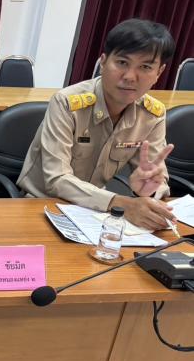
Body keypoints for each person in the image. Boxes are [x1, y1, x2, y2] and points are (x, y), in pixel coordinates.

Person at [17, 18, 176, 230]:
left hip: (94, 211)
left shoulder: (152, 114)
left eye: (145, 67)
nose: (130, 77)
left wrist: (147, 190)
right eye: (122, 63)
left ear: (159, 73)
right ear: (103, 62)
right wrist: (121, 203)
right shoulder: (68, 103)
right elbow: (56, 179)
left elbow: (156, 177)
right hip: (41, 204)